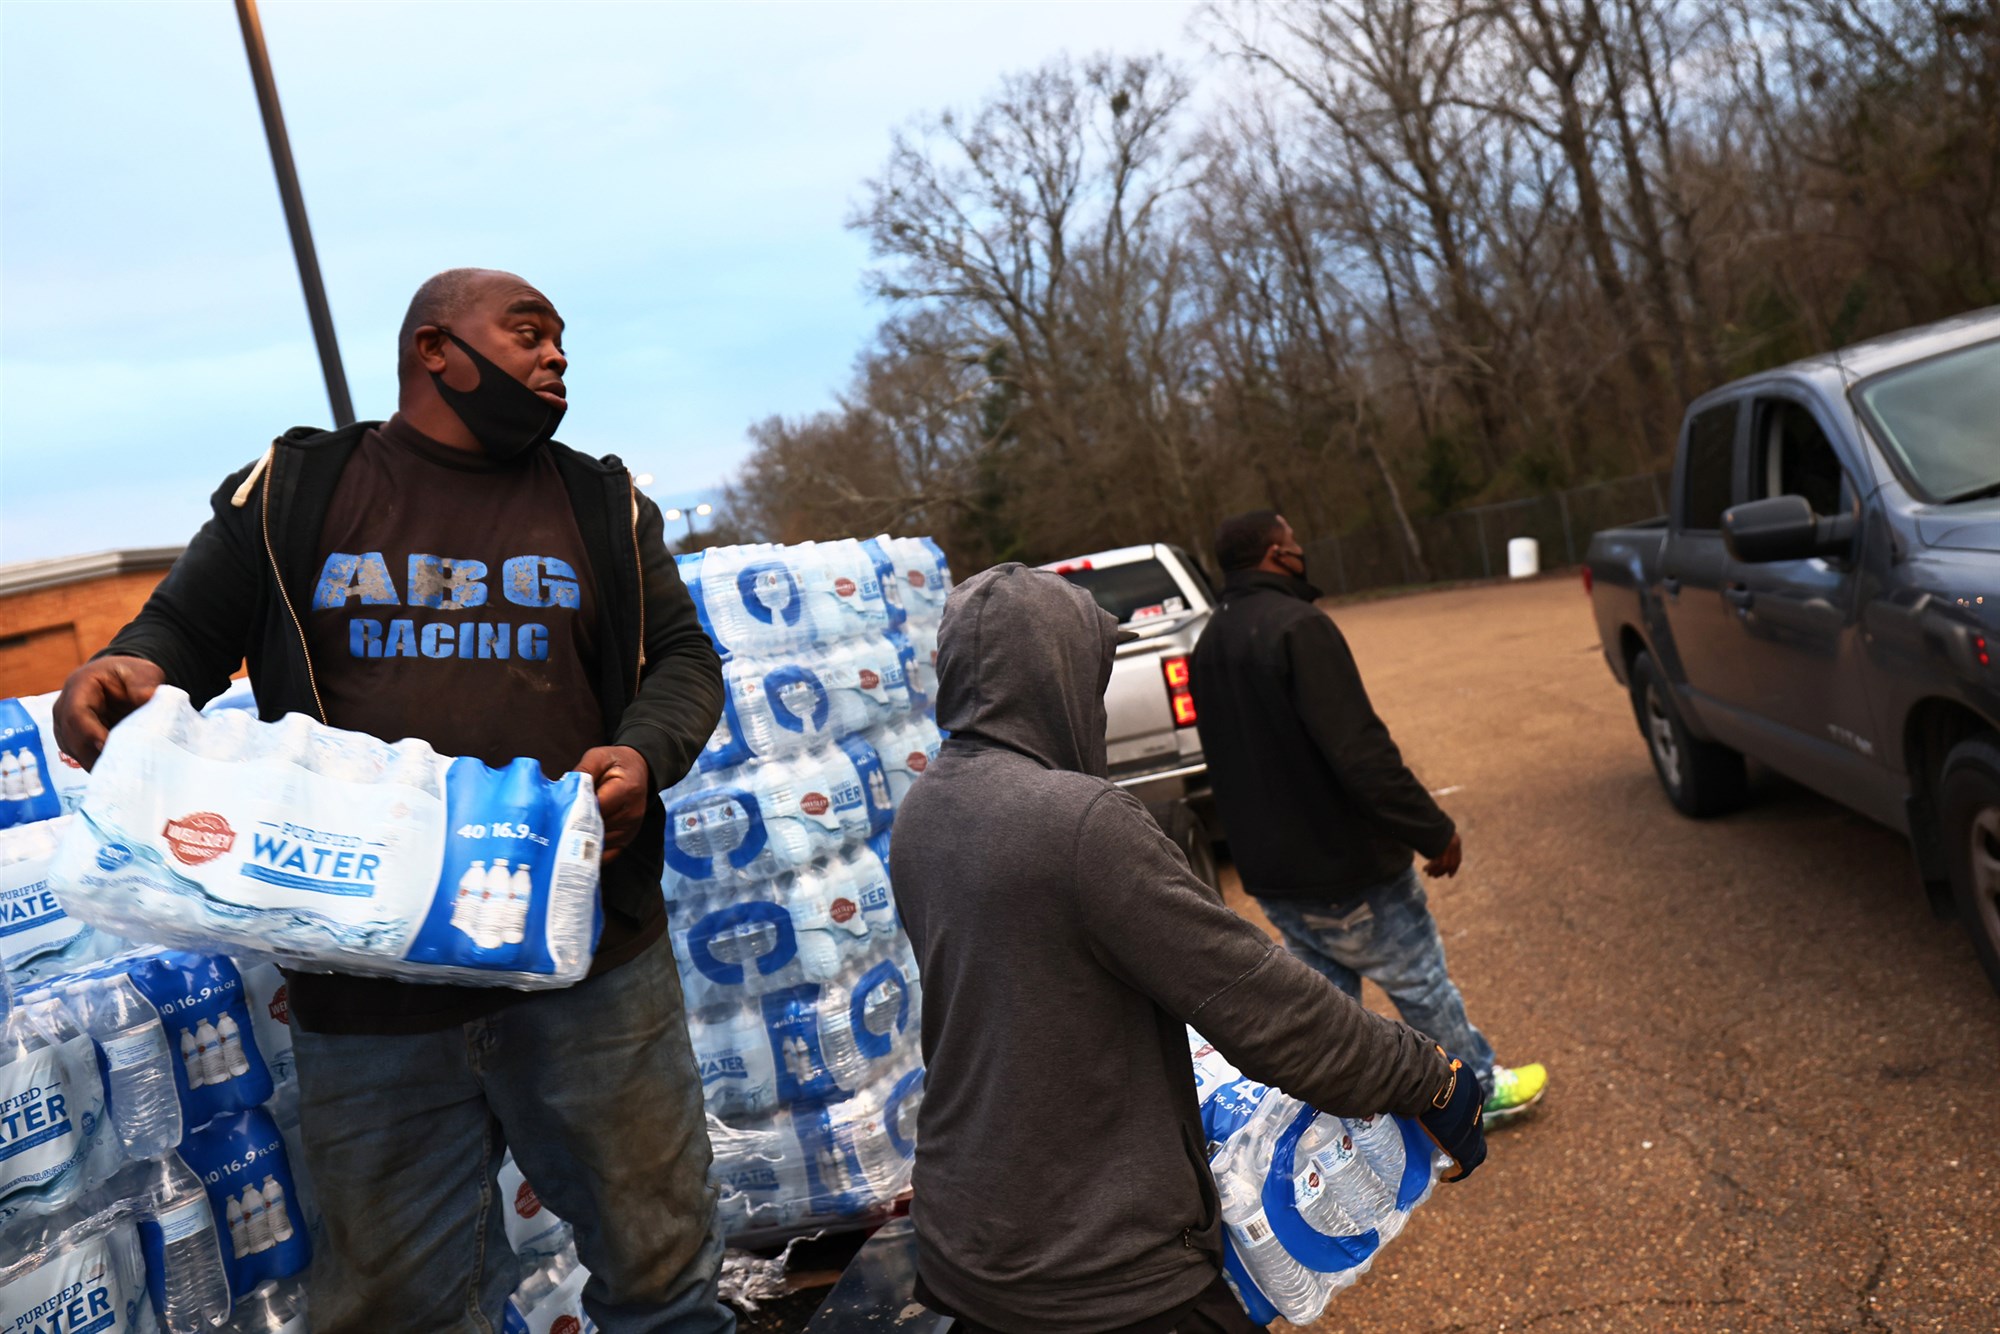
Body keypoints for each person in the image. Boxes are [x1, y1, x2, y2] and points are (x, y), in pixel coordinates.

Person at [53, 269, 736, 1333]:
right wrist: (128, 668)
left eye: (560, 340)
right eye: (528, 333)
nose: (556, 356)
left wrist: (645, 752)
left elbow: (685, 657)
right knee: (398, 1309)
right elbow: (178, 633)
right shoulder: (296, 492)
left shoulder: (597, 502)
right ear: (434, 349)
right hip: (371, 994)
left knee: (662, 1279)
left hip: (587, 970)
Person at [891, 564, 1487, 1334]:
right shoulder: (1079, 826)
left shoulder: (926, 810)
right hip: (1097, 1268)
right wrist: (1429, 1082)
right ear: (1057, 675)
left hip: (966, 1240)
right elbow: (1263, 1006)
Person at [1189, 509, 1548, 1128]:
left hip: (1272, 873)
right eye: (1296, 540)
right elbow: (1360, 750)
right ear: (1277, 554)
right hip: (1345, 866)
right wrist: (1432, 830)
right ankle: (1475, 1096)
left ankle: (1339, 1117)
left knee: (1325, 1008)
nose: (1303, 549)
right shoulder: (1299, 627)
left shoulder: (1208, 644)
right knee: (1420, 983)